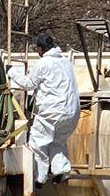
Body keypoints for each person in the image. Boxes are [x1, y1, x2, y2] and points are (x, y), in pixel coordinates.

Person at [6, 33, 81, 187]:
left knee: (37, 143)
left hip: (52, 111)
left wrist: (11, 71)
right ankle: (62, 171)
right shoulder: (66, 62)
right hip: (72, 112)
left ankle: (40, 178)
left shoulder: (43, 63)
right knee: (57, 142)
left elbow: (28, 84)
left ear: (40, 49)